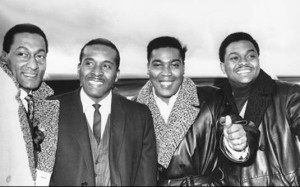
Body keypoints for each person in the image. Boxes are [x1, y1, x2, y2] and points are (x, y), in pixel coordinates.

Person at [136, 36, 260, 186]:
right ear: (148, 68)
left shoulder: (211, 99)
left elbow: (237, 125)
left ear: (183, 67)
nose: (166, 73)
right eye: (158, 65)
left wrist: (237, 141)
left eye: (174, 65)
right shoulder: (133, 109)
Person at [49, 38, 157, 186]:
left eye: (106, 66)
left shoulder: (140, 116)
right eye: (89, 63)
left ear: (117, 74)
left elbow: (146, 179)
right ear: (78, 68)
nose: (97, 72)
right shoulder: (51, 108)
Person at [218, 31, 300, 186]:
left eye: (251, 56)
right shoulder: (215, 102)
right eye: (235, 58)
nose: (244, 62)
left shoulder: (289, 94)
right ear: (223, 67)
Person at [0, 23, 59, 186]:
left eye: (40, 56)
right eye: (22, 54)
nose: (33, 65)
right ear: (4, 56)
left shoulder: (46, 103)